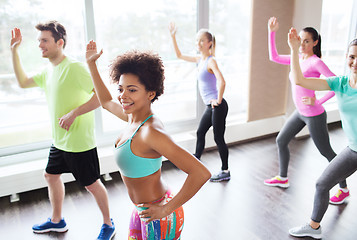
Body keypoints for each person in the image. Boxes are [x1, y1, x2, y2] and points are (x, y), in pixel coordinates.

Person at [85, 40, 211, 239]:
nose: (123, 96)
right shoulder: (132, 118)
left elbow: (201, 173)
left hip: (159, 214)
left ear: (151, 93)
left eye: (132, 90)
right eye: (121, 89)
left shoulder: (150, 132)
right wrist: (91, 65)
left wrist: (165, 210)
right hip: (142, 210)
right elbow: (107, 102)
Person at [10, 21, 115, 240]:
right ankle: (57, 221)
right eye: (38, 41)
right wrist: (14, 51)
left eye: (44, 40)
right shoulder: (49, 70)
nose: (40, 45)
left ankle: (108, 223)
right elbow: (22, 82)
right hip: (59, 141)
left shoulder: (74, 67)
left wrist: (74, 113)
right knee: (50, 175)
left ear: (59, 42)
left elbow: (102, 97)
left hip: (79, 143)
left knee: (92, 185)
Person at [263, 17, 348, 204]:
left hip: (314, 114)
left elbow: (337, 85)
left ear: (315, 42)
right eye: (300, 40)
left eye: (306, 41)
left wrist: (317, 100)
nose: (302, 44)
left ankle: (343, 188)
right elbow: (274, 57)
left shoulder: (315, 62)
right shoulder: (298, 58)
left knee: (326, 152)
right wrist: (272, 32)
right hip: (300, 112)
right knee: (281, 140)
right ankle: (283, 177)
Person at [287, 27, 357, 238]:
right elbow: (299, 80)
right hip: (353, 149)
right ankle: (314, 226)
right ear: (347, 57)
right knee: (322, 184)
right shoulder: (341, 83)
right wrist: (293, 49)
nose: (355, 62)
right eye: (352, 57)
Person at [168, 22, 230, 182]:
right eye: (197, 41)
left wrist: (219, 99)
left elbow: (222, 82)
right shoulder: (199, 60)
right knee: (200, 132)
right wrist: (173, 36)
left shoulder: (211, 61)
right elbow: (180, 55)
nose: (199, 43)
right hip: (211, 106)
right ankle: (195, 162)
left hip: (218, 106)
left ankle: (225, 171)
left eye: (202, 40)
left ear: (209, 43)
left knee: (218, 138)